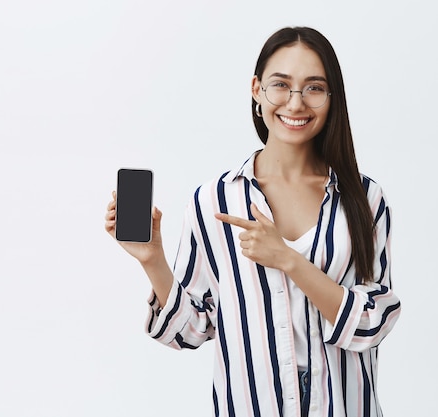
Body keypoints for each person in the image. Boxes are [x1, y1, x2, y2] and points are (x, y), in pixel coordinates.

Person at [104, 26, 401, 417]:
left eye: (314, 88)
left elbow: (372, 322)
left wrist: (289, 260)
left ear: (332, 98)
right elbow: (191, 331)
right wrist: (152, 260)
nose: (295, 104)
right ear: (257, 89)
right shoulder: (214, 200)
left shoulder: (365, 200)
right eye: (281, 85)